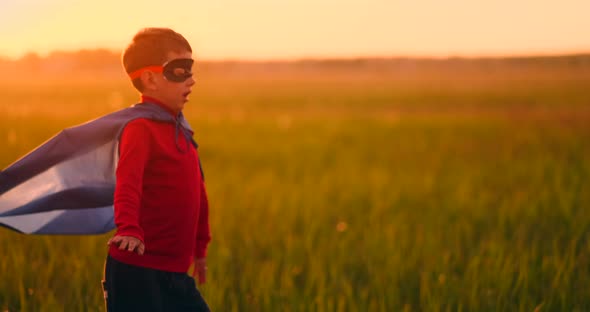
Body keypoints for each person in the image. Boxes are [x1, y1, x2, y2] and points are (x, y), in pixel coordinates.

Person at [102, 27, 211, 311]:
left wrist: (199, 249)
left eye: (191, 69)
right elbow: (128, 182)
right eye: (180, 70)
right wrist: (129, 229)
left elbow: (197, 193)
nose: (192, 79)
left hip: (176, 272)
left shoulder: (180, 130)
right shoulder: (140, 128)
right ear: (149, 78)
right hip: (137, 272)